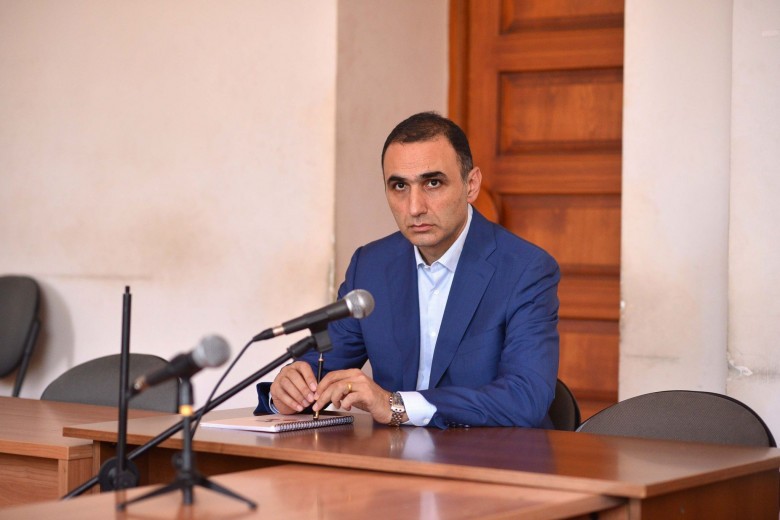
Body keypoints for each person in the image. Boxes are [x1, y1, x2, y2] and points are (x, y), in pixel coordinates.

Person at [254, 112, 560, 428]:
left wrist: (397, 406)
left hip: (492, 453)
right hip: (395, 453)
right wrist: (289, 391)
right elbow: (321, 369)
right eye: (400, 186)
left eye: (433, 183)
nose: (414, 208)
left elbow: (526, 397)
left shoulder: (526, 269)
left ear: (471, 185)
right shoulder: (370, 266)